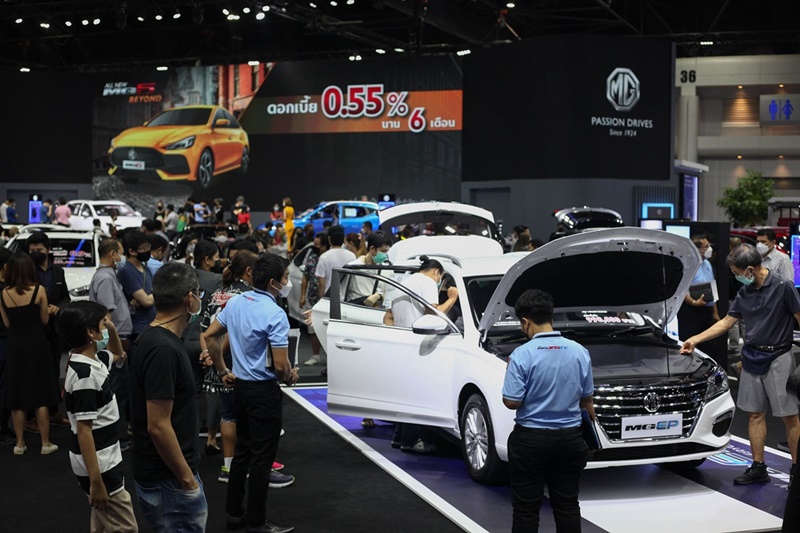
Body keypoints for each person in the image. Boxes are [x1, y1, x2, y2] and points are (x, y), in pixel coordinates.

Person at [680, 243, 800, 486]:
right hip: (752, 358)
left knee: (790, 417)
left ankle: (797, 472)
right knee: (755, 414)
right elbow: (726, 322)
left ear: (749, 270)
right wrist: (695, 339)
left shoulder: (783, 286)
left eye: (737, 272)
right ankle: (758, 467)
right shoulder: (745, 293)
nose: (736, 277)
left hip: (779, 357)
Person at [204, 253, 297, 533]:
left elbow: (210, 335)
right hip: (263, 392)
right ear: (273, 282)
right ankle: (257, 521)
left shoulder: (236, 302)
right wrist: (290, 376)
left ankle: (234, 514)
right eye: (285, 278)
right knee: (262, 458)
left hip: (240, 388)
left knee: (242, 452)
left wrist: (222, 370)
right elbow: (280, 366)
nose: (287, 282)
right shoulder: (275, 314)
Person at [502, 289, 594, 532]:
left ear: (525, 321)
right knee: (567, 505)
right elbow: (587, 400)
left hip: (531, 441)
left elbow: (511, 401)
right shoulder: (579, 351)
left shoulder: (522, 354)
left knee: (526, 508)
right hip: (570, 439)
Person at [129, 262, 208, 532]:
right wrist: (187, 479)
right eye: (198, 293)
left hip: (168, 476)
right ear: (190, 299)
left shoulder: (157, 339)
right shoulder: (162, 349)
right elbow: (158, 425)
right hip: (170, 480)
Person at [56, 301, 138, 533]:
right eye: (104, 323)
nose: (108, 326)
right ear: (91, 333)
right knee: (125, 527)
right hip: (100, 465)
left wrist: (111, 329)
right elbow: (84, 431)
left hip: (105, 456)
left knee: (101, 524)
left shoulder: (92, 359)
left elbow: (118, 354)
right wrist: (96, 482)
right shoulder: (86, 376)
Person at [383, 256, 459, 452]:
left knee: (404, 393)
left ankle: (399, 437)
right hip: (417, 345)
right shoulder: (428, 282)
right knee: (414, 394)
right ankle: (410, 441)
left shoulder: (402, 284)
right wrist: (452, 298)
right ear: (437, 272)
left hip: (401, 344)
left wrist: (400, 332)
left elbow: (387, 317)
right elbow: (433, 313)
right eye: (440, 279)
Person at [0, 252, 59, 455]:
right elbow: (44, 320)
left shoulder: (3, 293)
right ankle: (45, 443)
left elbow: (7, 324)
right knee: (40, 395)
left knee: (17, 396)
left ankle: (19, 444)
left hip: (15, 346)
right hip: (37, 344)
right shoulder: (39, 290)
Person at [89, 238, 134, 452]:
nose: (122, 256)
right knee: (116, 392)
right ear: (112, 254)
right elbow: (107, 317)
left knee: (120, 390)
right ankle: (115, 438)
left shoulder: (108, 275)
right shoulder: (105, 278)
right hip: (115, 343)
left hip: (118, 341)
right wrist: (114, 347)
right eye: (121, 252)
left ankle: (116, 436)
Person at [27, 231, 71, 428]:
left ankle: (53, 412)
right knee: (34, 373)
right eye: (32, 251)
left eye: (39, 249)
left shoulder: (58, 271)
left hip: (54, 331)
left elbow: (65, 297)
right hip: (34, 329)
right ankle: (30, 417)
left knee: (53, 371)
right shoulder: (27, 272)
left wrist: (58, 308)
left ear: (48, 249)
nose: (35, 253)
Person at [188, 240, 223, 456]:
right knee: (212, 390)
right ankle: (211, 437)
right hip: (207, 338)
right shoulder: (217, 280)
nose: (219, 261)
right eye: (217, 257)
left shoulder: (185, 276)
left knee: (190, 390)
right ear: (207, 259)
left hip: (184, 337)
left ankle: (189, 434)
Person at [677, 235, 721, 363]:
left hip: (707, 311)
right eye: (706, 246)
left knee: (709, 347)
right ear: (696, 249)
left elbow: (711, 286)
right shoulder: (687, 265)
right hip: (690, 312)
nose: (710, 248)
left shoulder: (707, 263)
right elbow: (681, 289)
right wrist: (694, 302)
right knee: (690, 346)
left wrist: (715, 312)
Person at [301, 233, 326, 367]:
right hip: (313, 298)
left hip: (328, 299)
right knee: (312, 328)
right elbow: (305, 277)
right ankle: (315, 356)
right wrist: (302, 296)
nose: (316, 248)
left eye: (318, 245)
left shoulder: (328, 257)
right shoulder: (312, 258)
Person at [316, 226, 356, 300]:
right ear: (343, 239)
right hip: (347, 299)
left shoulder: (324, 257)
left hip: (329, 299)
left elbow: (321, 283)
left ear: (329, 239)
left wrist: (321, 300)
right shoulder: (352, 256)